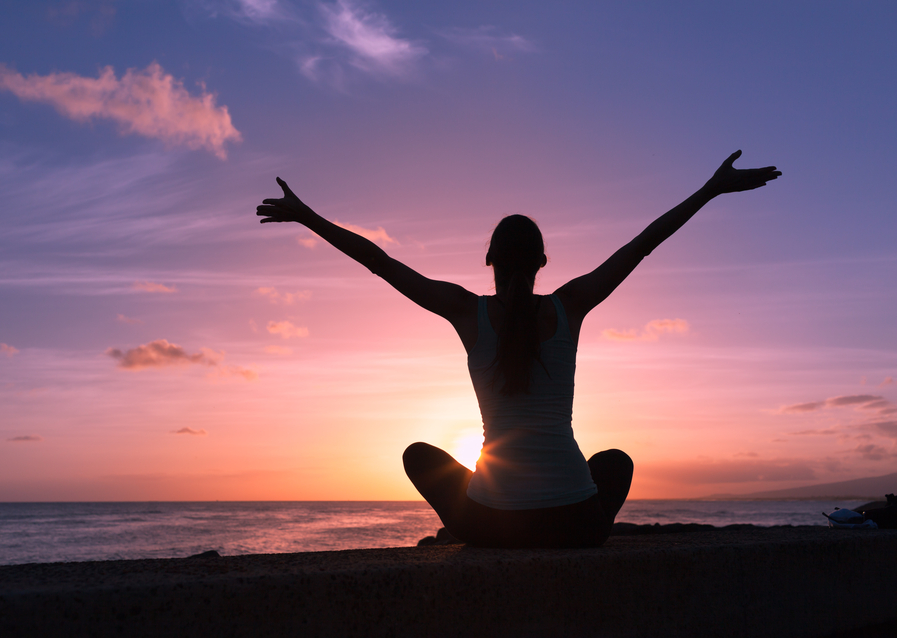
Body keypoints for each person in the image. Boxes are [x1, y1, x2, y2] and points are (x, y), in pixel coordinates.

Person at [257, 150, 781, 547]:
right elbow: (642, 244)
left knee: (419, 456)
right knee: (616, 461)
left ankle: (464, 530)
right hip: (577, 526)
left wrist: (306, 216)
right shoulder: (570, 304)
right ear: (543, 262)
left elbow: (380, 262)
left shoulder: (467, 311)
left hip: (491, 527)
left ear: (489, 258)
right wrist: (711, 189)